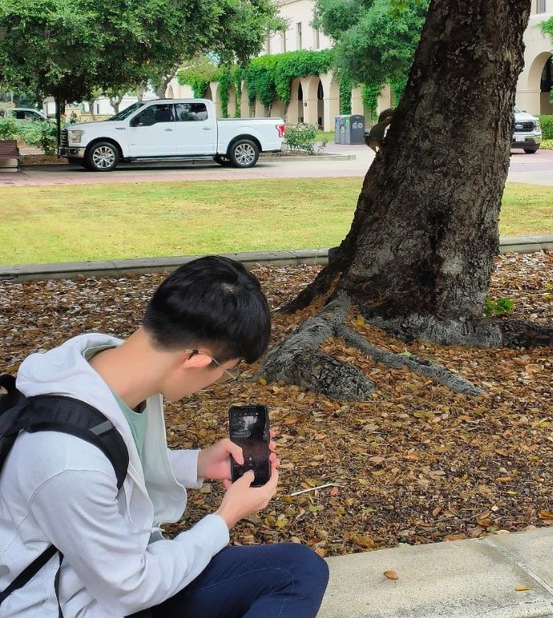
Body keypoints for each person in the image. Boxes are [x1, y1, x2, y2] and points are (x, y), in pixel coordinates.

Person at [0, 255, 329, 617]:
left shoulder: (110, 368)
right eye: (227, 370)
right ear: (197, 359)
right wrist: (224, 518)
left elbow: (119, 464)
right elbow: (131, 589)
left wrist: (198, 463)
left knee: (296, 569)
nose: (218, 379)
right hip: (78, 604)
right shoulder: (67, 462)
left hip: (119, 574)